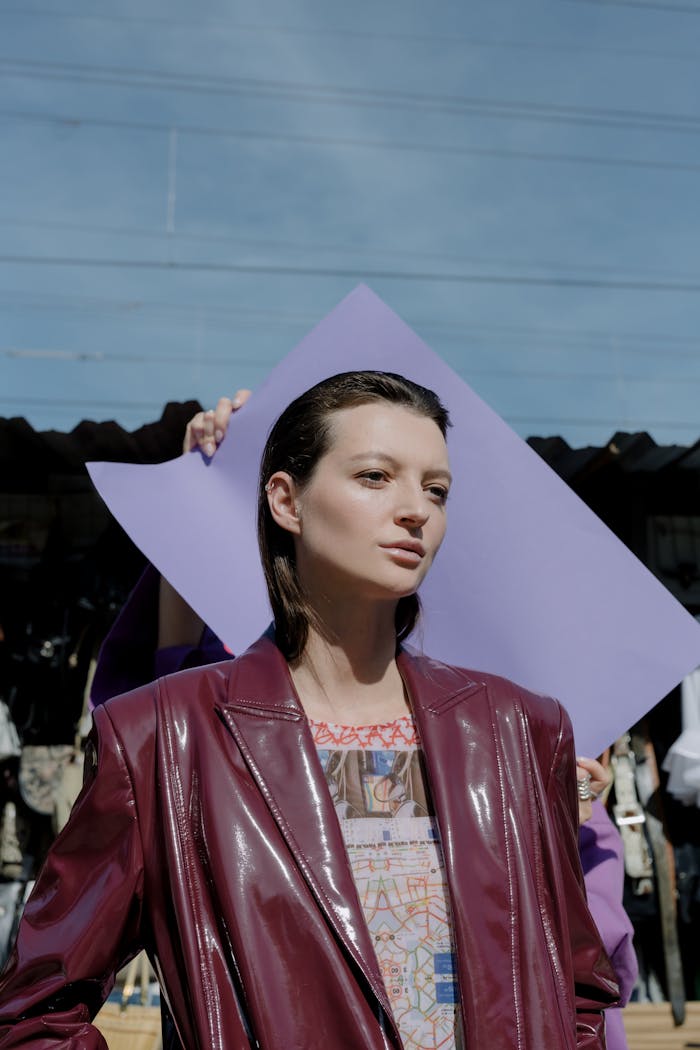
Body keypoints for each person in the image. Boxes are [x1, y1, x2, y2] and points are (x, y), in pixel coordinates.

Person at [0, 371, 618, 1049]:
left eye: (436, 489)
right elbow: (34, 1013)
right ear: (286, 500)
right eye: (375, 476)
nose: (416, 509)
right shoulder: (164, 739)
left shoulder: (517, 730)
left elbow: (579, 989)